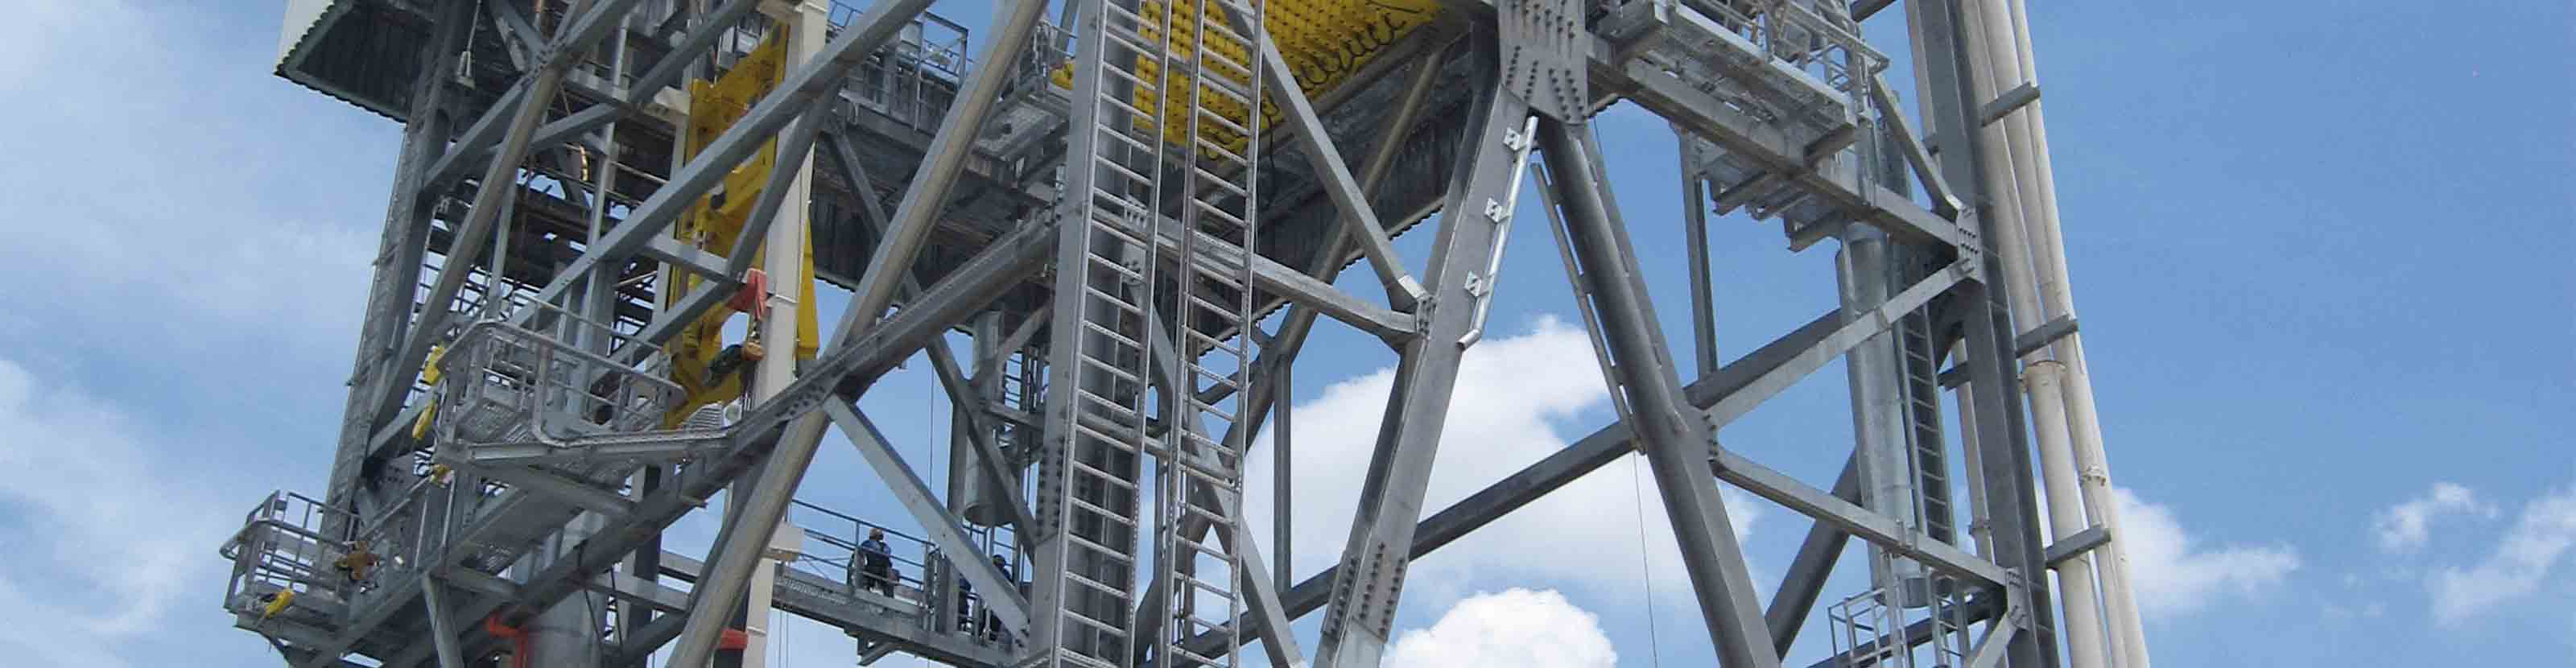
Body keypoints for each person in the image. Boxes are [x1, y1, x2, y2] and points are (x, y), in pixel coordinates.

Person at [858, 528, 897, 597]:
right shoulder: (886, 546)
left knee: (862, 575)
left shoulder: (867, 543)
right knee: (888, 585)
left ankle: (864, 589)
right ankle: (889, 598)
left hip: (872, 569)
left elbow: (860, 555)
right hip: (884, 572)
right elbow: (888, 561)